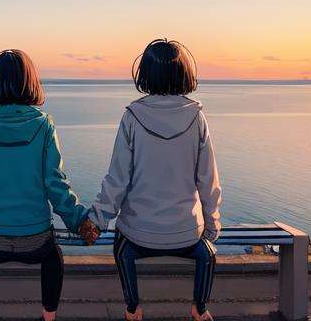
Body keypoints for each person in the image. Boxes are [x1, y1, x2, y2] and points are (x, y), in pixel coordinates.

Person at [0, 49, 100, 321]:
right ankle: (48, 317)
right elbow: (56, 186)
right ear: (31, 83)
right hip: (36, 239)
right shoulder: (44, 126)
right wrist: (79, 220)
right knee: (53, 259)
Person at [88, 39, 222, 321]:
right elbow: (207, 180)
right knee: (207, 251)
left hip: (137, 234)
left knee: (121, 249)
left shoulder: (132, 117)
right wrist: (211, 226)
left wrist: (97, 221)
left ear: (145, 73)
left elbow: (117, 180)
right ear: (185, 73)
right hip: (187, 232)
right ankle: (200, 308)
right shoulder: (197, 117)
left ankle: (133, 308)